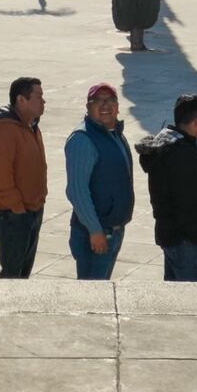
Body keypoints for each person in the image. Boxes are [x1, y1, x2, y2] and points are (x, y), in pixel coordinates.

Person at [136, 94, 197, 282]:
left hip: (170, 235)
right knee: (192, 300)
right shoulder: (183, 154)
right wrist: (196, 237)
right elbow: (186, 201)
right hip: (185, 241)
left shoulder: (166, 145)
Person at [64, 83, 134, 281]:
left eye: (110, 100)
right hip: (95, 235)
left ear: (118, 107)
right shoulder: (83, 139)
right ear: (88, 107)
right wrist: (94, 231)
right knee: (90, 296)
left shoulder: (114, 134)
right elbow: (77, 192)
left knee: (100, 291)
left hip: (112, 230)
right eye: (98, 101)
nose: (105, 105)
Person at [0, 77, 48, 279]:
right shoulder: (4, 130)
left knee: (22, 273)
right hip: (14, 214)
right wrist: (16, 207)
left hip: (32, 209)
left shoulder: (30, 124)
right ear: (21, 100)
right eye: (39, 96)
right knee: (12, 274)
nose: (44, 101)